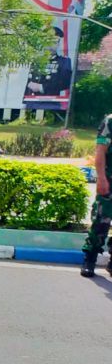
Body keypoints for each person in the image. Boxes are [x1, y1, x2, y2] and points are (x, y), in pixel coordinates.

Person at [81, 114, 112, 277]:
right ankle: (90, 258)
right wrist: (101, 178)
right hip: (109, 180)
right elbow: (100, 151)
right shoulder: (110, 121)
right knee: (101, 220)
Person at [25, 27, 74, 99]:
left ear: (58, 44)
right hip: (27, 103)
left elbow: (65, 83)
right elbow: (19, 79)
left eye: (54, 42)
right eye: (48, 42)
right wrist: (27, 83)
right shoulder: (32, 60)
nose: (50, 45)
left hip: (49, 104)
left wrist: (41, 87)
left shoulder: (64, 61)